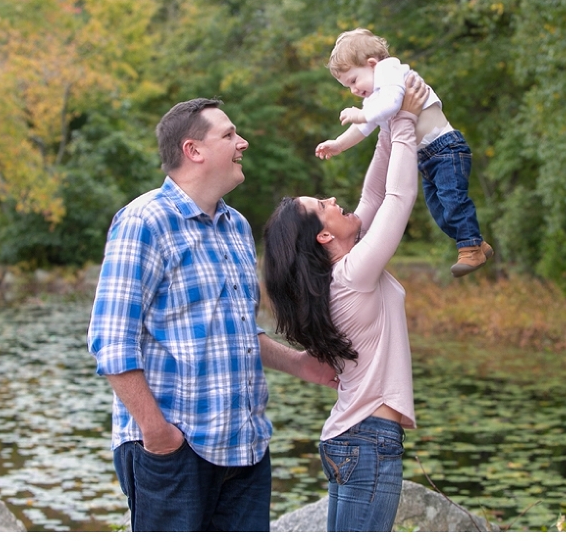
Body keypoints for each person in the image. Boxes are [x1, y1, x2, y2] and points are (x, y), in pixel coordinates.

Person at [86, 98, 338, 532]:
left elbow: (236, 333)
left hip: (246, 448)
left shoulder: (236, 227)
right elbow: (110, 340)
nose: (243, 142)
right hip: (175, 452)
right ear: (193, 150)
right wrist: (157, 432)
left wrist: (300, 364)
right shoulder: (143, 221)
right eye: (229, 135)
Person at [263, 72, 428, 531]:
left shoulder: (345, 272)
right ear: (322, 235)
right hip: (369, 440)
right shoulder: (353, 275)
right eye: (324, 202)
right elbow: (399, 196)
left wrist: (389, 116)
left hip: (353, 438)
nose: (335, 199)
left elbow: (375, 193)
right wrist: (409, 121)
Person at [315, 28, 493, 277]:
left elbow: (390, 104)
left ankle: (470, 248)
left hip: (446, 149)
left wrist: (362, 113)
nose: (354, 91)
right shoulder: (377, 94)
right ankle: (475, 241)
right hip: (427, 159)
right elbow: (365, 126)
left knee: (452, 201)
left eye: (354, 81)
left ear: (372, 64)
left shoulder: (391, 73)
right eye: (348, 87)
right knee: (439, 210)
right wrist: (339, 143)